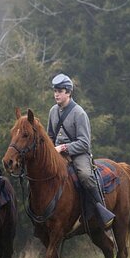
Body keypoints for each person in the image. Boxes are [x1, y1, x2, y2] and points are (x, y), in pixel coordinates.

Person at [47, 73, 114, 229]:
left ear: (68, 92)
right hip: (57, 153)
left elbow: (84, 143)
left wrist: (64, 147)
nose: (56, 94)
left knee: (85, 175)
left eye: (60, 91)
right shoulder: (52, 111)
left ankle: (101, 210)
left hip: (78, 154)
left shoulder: (79, 113)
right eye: (55, 90)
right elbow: (50, 136)